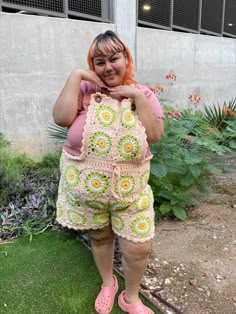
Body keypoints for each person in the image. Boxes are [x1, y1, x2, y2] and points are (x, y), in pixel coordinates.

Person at [53, 30, 164, 314]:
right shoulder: (84, 90)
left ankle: (132, 298)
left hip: (131, 193)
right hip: (88, 192)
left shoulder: (145, 94)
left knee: (137, 247)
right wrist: (77, 75)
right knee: (100, 238)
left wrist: (136, 95)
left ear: (125, 59)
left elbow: (154, 135)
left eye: (114, 58)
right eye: (99, 61)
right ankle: (107, 283)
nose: (108, 67)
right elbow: (62, 118)